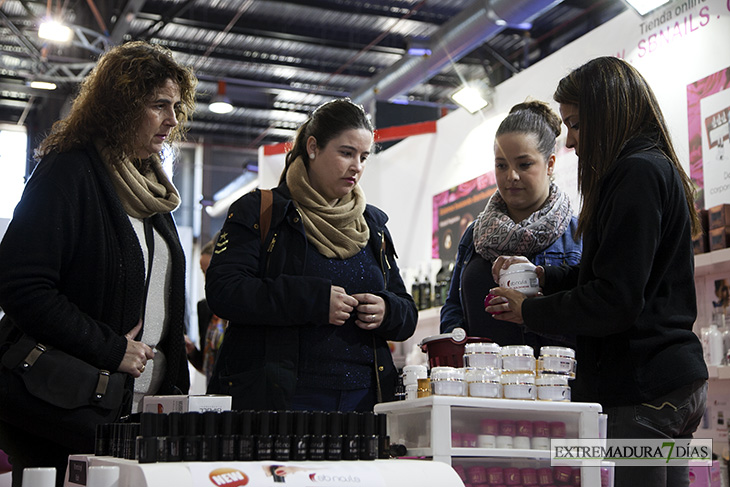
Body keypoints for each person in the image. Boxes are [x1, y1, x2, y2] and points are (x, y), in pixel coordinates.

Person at [488, 57, 708, 487]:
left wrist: (530, 312)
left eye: (576, 125)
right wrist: (545, 276)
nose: (570, 142)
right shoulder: (652, 166)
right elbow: (615, 273)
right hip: (671, 388)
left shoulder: (636, 173)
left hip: (643, 391)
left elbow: (615, 299)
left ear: (608, 114)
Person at [0, 41, 196, 487]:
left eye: (176, 106)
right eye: (159, 105)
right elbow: (20, 285)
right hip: (64, 416)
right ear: (120, 106)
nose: (172, 119)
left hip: (136, 420)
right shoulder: (69, 172)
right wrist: (110, 348)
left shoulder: (151, 192)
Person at [206, 98, 417, 412]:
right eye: (346, 153)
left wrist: (387, 310)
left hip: (365, 401)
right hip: (281, 402)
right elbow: (225, 291)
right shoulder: (261, 210)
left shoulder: (373, 226)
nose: (357, 166)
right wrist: (313, 301)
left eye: (363, 156)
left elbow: (407, 312)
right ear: (313, 147)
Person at [440, 100, 582, 350]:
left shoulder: (578, 234)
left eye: (524, 164)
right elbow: (454, 306)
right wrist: (458, 339)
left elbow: (595, 315)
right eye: (501, 165)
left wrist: (535, 311)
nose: (511, 176)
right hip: (483, 382)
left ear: (550, 164)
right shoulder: (475, 233)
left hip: (557, 382)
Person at [185, 235, 227, 384]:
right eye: (203, 273)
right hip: (212, 390)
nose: (206, 279)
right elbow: (205, 365)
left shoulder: (240, 307)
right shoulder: (205, 308)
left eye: (209, 272)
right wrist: (191, 350)